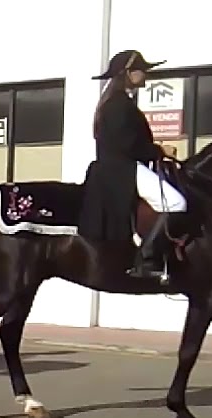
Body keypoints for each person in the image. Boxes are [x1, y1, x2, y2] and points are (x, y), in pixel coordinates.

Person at [78, 49, 188, 280]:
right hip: (121, 170)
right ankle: (148, 259)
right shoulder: (118, 105)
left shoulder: (116, 101)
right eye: (141, 70)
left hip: (120, 167)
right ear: (127, 73)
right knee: (177, 202)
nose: (145, 74)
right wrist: (160, 150)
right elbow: (127, 144)